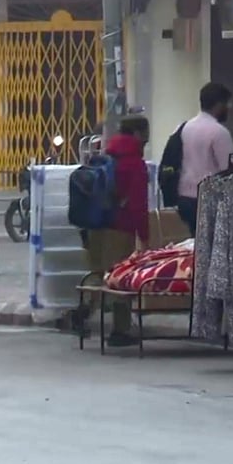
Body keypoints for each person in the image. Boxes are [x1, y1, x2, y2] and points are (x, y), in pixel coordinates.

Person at [83, 110, 151, 346]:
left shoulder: (106, 155)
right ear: (136, 133)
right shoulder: (134, 163)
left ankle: (82, 311)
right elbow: (138, 205)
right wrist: (144, 236)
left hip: (95, 224)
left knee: (97, 272)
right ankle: (120, 330)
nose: (147, 139)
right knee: (120, 277)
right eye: (145, 134)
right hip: (120, 226)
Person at [175, 82, 233, 235]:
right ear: (218, 104)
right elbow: (229, 169)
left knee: (195, 240)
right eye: (227, 103)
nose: (230, 108)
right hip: (210, 197)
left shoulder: (186, 127)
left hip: (185, 195)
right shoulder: (219, 132)